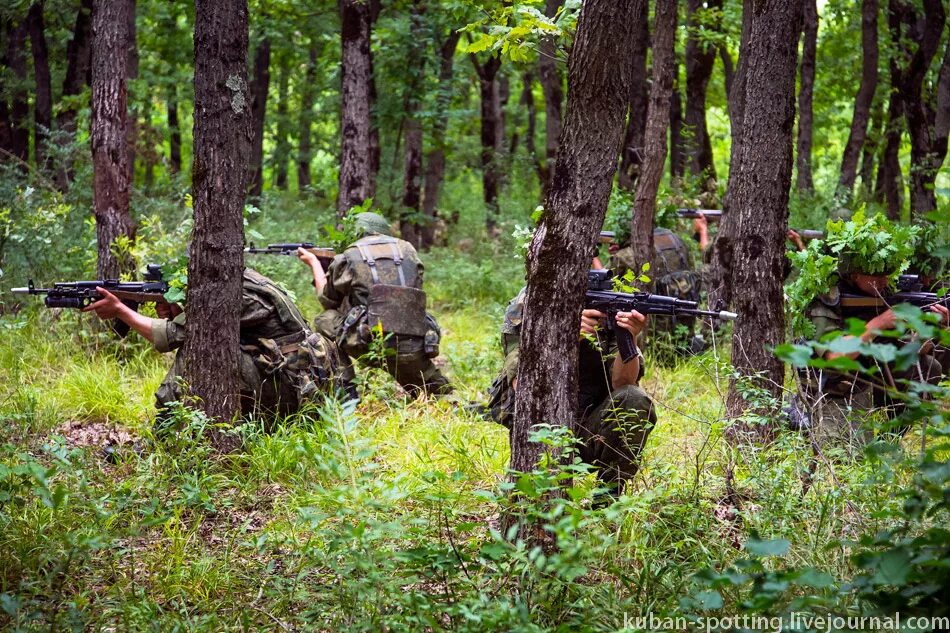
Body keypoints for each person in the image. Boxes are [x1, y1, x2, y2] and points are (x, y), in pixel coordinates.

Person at [83, 268, 345, 425]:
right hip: (294, 382)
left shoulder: (230, 294)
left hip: (289, 390)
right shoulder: (243, 279)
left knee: (198, 352)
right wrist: (178, 307)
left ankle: (164, 434)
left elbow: (169, 336)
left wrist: (119, 310)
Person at [487, 285, 657, 491]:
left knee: (634, 398)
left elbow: (623, 383)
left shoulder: (608, 304)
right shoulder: (531, 302)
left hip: (590, 425)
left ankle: (607, 501)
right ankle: (534, 500)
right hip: (543, 432)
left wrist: (629, 337)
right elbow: (525, 387)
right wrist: (565, 337)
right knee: (537, 502)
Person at [299, 211, 451, 398]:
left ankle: (346, 391)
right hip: (414, 340)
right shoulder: (408, 250)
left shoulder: (349, 256)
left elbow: (327, 300)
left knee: (324, 319)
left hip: (368, 341)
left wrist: (314, 263)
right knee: (443, 397)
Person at [801, 265, 948, 450]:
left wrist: (935, 325)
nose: (884, 281)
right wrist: (878, 323)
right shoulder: (828, 298)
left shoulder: (882, 295)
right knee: (846, 457)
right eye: (876, 276)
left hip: (871, 380)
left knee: (929, 368)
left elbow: (908, 350)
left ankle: (888, 442)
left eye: (886, 275)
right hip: (834, 389)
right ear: (854, 274)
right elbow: (835, 356)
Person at [610, 227, 705, 354]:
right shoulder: (676, 243)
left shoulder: (626, 254)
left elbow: (607, 280)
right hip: (681, 320)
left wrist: (599, 258)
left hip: (653, 338)